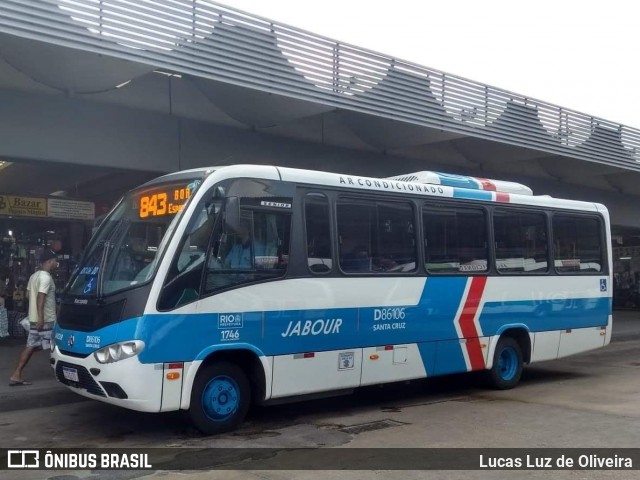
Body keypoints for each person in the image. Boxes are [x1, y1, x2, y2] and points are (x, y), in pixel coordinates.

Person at [9, 249, 58, 386]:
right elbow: (40, 297)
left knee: (33, 345)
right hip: (46, 320)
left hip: (34, 319)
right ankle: (64, 372)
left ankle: (16, 374)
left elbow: (27, 296)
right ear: (49, 261)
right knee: (57, 343)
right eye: (55, 261)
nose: (56, 264)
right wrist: (41, 318)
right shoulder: (46, 277)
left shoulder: (33, 276)